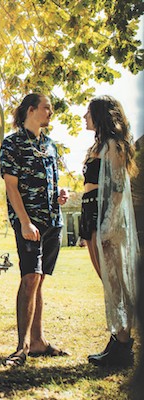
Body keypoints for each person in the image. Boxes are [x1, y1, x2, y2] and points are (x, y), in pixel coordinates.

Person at [0, 93, 69, 366]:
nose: (50, 113)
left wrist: (60, 195)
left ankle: (38, 342)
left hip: (53, 222)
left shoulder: (50, 145)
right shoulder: (12, 143)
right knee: (29, 278)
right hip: (29, 222)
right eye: (46, 108)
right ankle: (21, 347)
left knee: (39, 280)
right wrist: (25, 222)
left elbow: (52, 181)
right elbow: (11, 186)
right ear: (31, 110)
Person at [80, 95, 139, 368]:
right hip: (91, 212)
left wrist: (108, 224)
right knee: (107, 282)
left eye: (88, 113)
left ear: (101, 115)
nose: (84, 118)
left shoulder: (114, 146)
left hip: (106, 217)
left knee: (115, 281)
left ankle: (123, 345)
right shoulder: (98, 146)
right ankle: (118, 338)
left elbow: (116, 189)